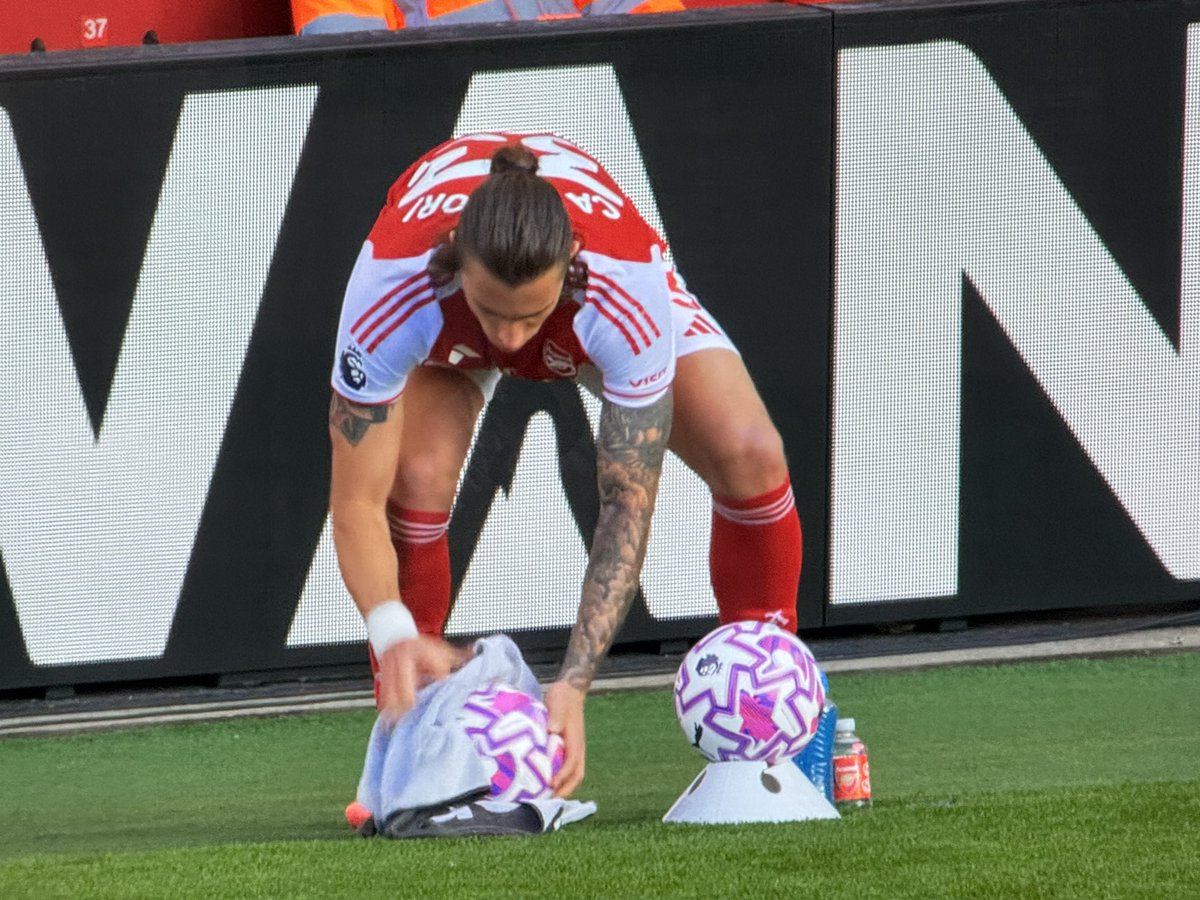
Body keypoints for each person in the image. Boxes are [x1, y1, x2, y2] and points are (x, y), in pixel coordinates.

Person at [328, 133, 802, 798]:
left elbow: (626, 501)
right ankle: (410, 738)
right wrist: (389, 629)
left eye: (529, 317)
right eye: (496, 314)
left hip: (581, 322)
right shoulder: (392, 285)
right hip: (447, 331)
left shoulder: (622, 287)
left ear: (572, 262)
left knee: (751, 450)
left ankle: (777, 721)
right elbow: (354, 504)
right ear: (459, 263)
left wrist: (574, 683)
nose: (512, 341)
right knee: (417, 477)